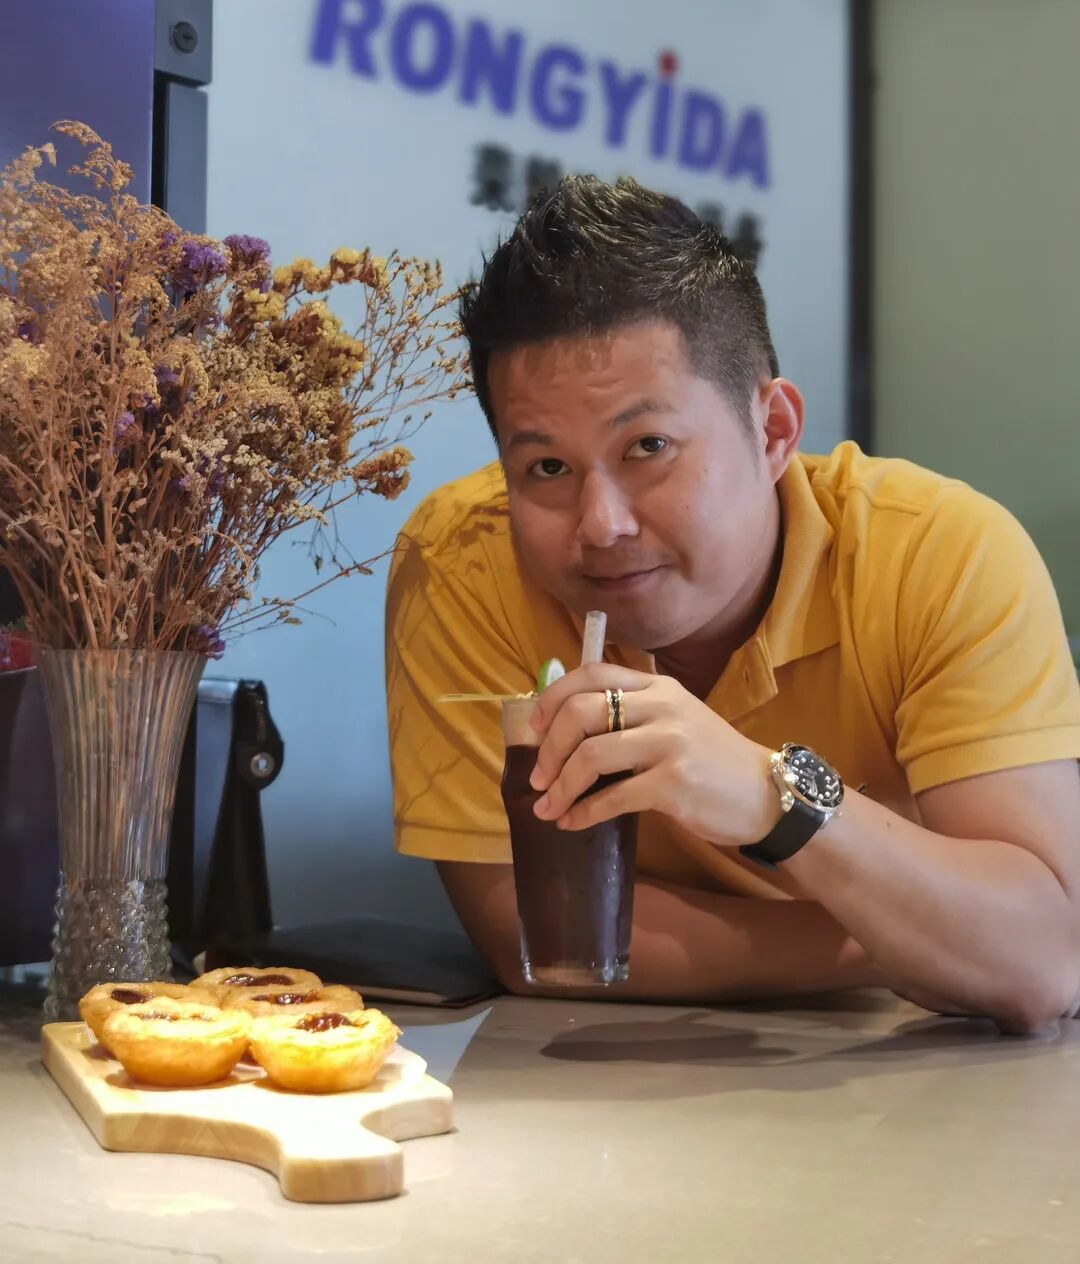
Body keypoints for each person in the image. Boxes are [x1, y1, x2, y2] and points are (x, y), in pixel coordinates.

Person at [385, 176, 1080, 1032]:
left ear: (774, 429)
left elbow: (1042, 961)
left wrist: (770, 796)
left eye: (648, 446)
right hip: (615, 1083)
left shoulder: (938, 553)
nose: (601, 525)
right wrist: (903, 935)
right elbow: (543, 941)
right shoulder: (464, 561)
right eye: (547, 468)